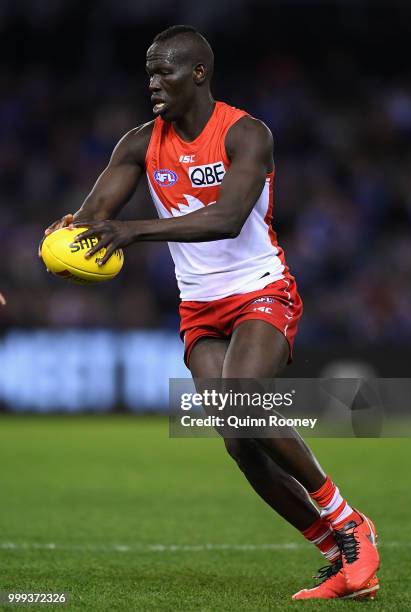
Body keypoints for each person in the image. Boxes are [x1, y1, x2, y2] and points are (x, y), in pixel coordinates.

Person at [41, 25, 380, 600]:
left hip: (259, 290)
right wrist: (67, 236)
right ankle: (336, 554)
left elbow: (224, 218)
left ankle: (351, 523)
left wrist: (132, 231)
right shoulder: (139, 144)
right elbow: (95, 212)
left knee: (242, 395)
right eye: (148, 72)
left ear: (198, 73)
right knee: (237, 437)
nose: (153, 83)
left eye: (164, 71)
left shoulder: (246, 133)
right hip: (200, 307)